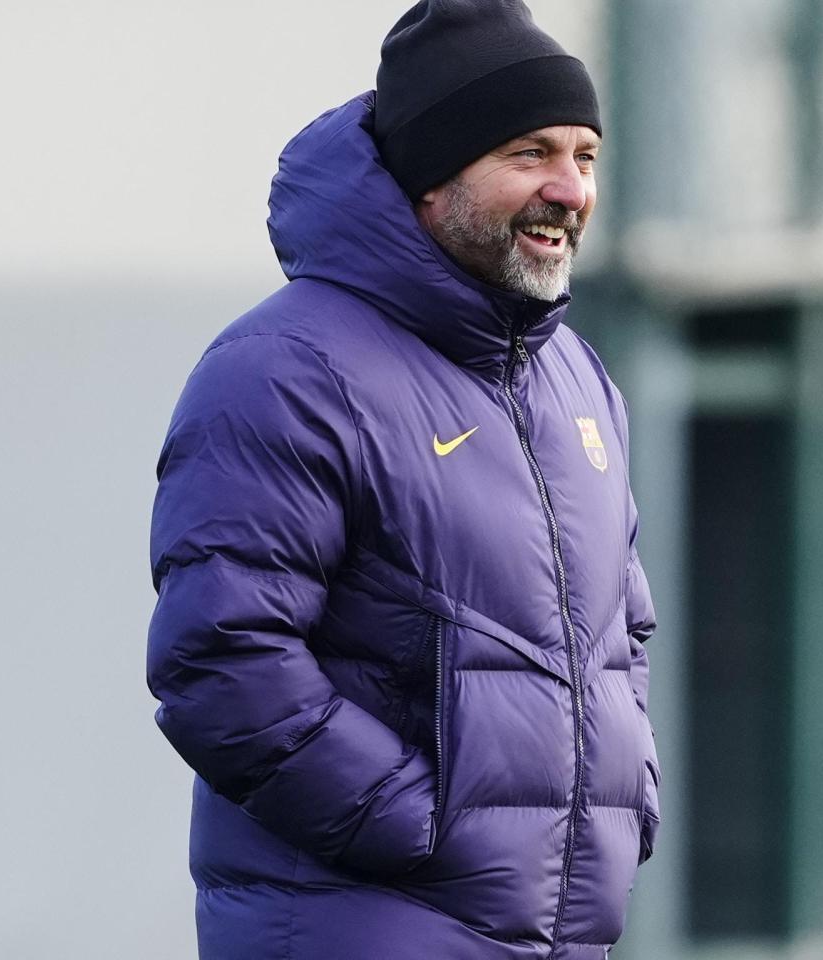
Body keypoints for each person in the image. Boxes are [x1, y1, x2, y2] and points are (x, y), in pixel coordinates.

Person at [145, 2, 659, 956]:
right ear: (431, 177)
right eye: (530, 153)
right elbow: (222, 661)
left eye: (585, 156)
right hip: (367, 926)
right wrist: (417, 823)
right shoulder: (286, 370)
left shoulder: (576, 379)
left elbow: (619, 636)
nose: (571, 189)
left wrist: (629, 801)